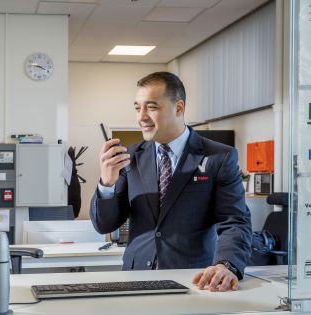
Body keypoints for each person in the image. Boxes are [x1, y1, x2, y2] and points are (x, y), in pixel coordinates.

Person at [90, 72, 252, 292]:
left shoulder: (219, 157)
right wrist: (107, 184)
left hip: (195, 280)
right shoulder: (131, 157)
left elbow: (235, 222)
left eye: (152, 107)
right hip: (136, 280)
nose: (141, 117)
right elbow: (105, 224)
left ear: (179, 108)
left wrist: (226, 265)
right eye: (138, 108)